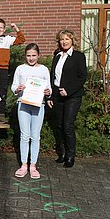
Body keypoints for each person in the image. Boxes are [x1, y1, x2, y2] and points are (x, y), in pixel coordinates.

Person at [11, 43, 51, 179]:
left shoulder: (44, 70)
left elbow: (49, 88)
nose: (31, 58)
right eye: (28, 55)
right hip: (23, 104)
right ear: (25, 56)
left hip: (39, 105)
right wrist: (18, 89)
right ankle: (23, 165)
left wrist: (47, 91)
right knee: (24, 135)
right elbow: (14, 86)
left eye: (34, 55)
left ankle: (33, 165)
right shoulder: (20, 69)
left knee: (35, 136)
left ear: (38, 55)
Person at [48, 30, 87, 168]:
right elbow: (53, 77)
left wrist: (68, 90)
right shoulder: (57, 56)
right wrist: (51, 96)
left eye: (67, 39)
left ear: (72, 41)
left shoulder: (78, 56)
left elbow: (82, 77)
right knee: (58, 125)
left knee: (68, 125)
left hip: (73, 96)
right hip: (58, 95)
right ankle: (62, 153)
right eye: (61, 39)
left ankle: (71, 156)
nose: (64, 42)